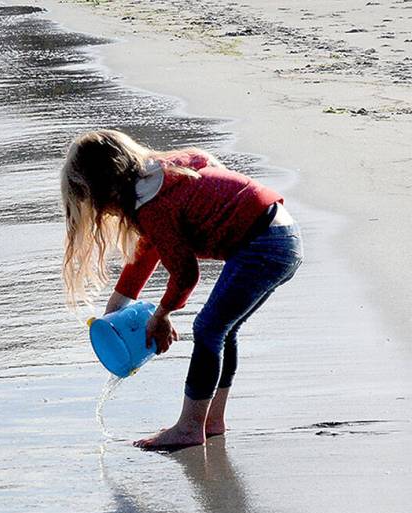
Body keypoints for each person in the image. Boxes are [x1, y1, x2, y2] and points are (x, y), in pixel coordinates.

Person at [60, 129, 303, 449]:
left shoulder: (153, 208)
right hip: (282, 234)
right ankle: (212, 420)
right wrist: (115, 310)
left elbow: (186, 275)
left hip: (263, 244)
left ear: (103, 192)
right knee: (223, 330)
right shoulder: (159, 176)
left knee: (208, 329)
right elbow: (148, 249)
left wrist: (161, 315)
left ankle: (190, 427)